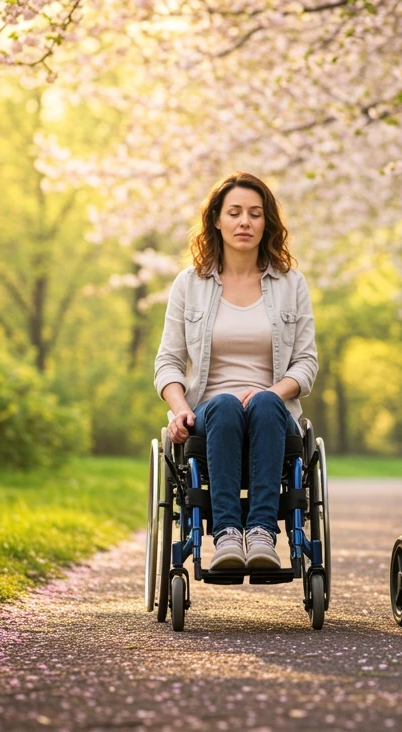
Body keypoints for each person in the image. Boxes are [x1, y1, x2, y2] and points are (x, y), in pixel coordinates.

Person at [153, 173, 318, 572]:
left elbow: (307, 363)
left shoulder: (291, 284)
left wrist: (275, 392)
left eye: (255, 214)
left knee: (262, 401)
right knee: (225, 404)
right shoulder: (189, 285)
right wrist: (179, 411)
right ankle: (227, 534)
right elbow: (168, 363)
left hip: (273, 414)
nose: (245, 222)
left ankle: (262, 532)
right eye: (235, 213)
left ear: (267, 223)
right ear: (216, 220)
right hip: (212, 416)